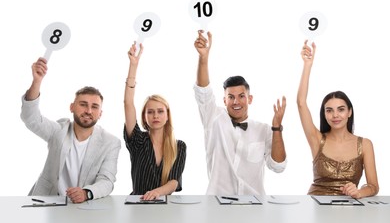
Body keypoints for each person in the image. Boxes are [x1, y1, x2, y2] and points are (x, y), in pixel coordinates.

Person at [193, 30, 287, 195]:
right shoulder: (214, 119)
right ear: (224, 101)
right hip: (217, 205)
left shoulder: (264, 130)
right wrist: (203, 58)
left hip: (254, 207)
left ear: (250, 99)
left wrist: (277, 128)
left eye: (241, 96)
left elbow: (278, 166)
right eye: (231, 97)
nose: (236, 102)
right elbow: (203, 92)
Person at [20, 57, 121, 203]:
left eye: (94, 107)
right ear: (72, 107)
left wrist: (87, 193)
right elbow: (31, 118)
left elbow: (107, 180)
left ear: (100, 113)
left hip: (85, 206)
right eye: (83, 104)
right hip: (47, 203)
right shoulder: (58, 131)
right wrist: (37, 81)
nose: (88, 110)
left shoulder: (111, 142)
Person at [297, 40, 379, 198]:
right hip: (315, 207)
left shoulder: (365, 144)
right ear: (324, 114)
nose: (335, 115)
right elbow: (301, 103)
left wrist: (360, 192)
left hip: (349, 209)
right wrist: (307, 65)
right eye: (329, 110)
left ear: (349, 112)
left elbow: (374, 186)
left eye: (341, 109)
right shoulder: (317, 139)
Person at [123, 41, 186, 200]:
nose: (155, 116)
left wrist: (157, 192)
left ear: (167, 115)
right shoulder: (138, 140)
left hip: (165, 207)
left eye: (160, 111)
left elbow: (174, 181)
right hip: (138, 205)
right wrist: (133, 66)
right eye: (150, 112)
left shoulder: (179, 146)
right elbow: (128, 104)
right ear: (144, 116)